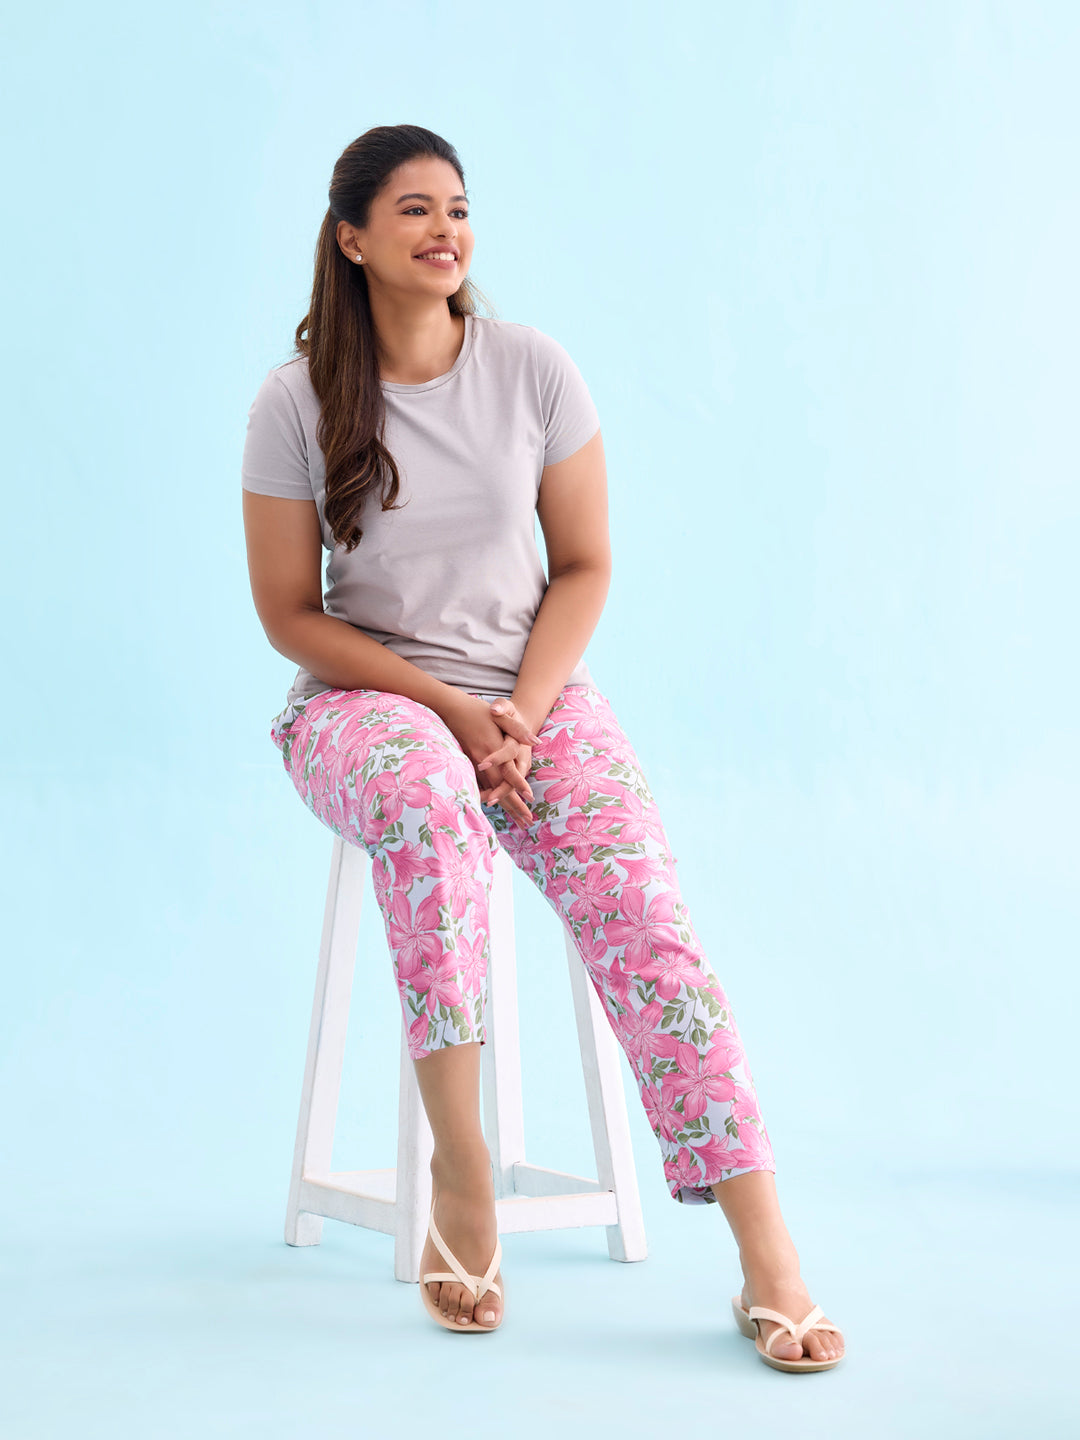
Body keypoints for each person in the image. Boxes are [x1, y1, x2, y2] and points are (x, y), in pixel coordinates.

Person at [240, 123, 844, 1371]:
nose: (444, 229)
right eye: (414, 210)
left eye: (458, 207)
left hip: (533, 694)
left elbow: (584, 566)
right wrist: (451, 713)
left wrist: (514, 710)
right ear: (351, 240)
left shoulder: (533, 369)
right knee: (430, 808)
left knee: (642, 908)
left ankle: (767, 1254)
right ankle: (462, 1174)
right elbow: (291, 615)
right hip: (365, 703)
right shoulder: (294, 402)